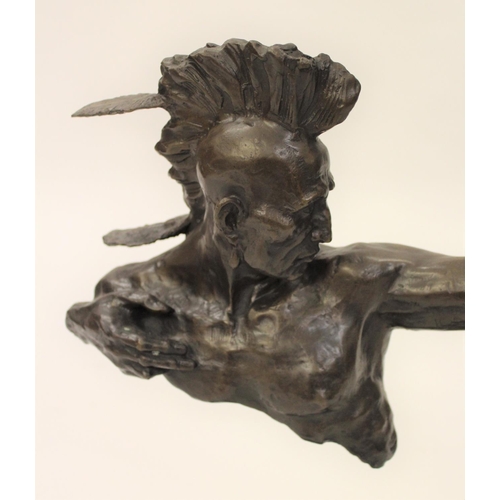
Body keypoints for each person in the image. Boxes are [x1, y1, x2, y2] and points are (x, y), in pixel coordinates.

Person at [66, 39, 464, 468]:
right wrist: (91, 322)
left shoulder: (357, 282)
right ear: (231, 219)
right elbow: (80, 315)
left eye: (323, 203)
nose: (326, 230)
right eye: (303, 214)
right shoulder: (139, 295)